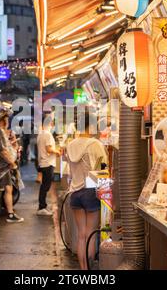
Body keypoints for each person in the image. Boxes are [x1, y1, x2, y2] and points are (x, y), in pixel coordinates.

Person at [65, 111, 108, 270]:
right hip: (91, 191)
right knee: (91, 233)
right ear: (90, 125)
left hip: (74, 193)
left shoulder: (70, 144)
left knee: (81, 235)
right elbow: (103, 168)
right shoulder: (94, 144)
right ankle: (90, 269)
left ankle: (83, 269)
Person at [36, 114, 61, 216]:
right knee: (45, 186)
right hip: (47, 163)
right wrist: (58, 152)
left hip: (43, 162)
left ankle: (42, 206)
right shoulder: (48, 134)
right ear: (51, 123)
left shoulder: (41, 133)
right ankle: (42, 207)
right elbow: (48, 149)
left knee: (44, 186)